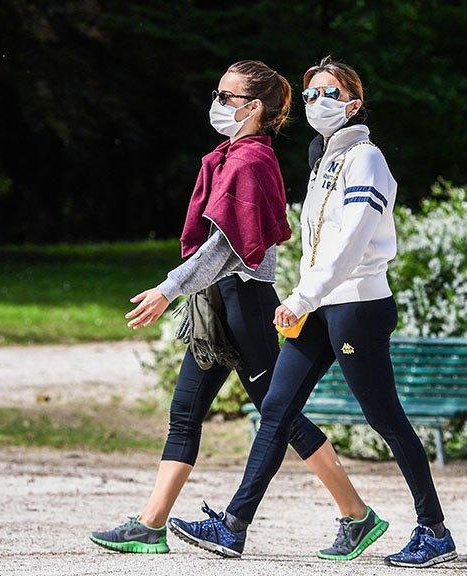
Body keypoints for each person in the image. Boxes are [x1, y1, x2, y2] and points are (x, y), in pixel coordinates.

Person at [89, 60, 386, 561]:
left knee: (280, 414)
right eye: (218, 93)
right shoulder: (230, 156)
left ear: (253, 108)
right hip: (216, 301)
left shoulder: (252, 163)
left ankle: (356, 514)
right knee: (185, 411)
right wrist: (186, 290)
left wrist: (169, 288)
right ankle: (149, 525)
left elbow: (228, 247)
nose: (217, 103)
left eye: (226, 97)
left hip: (246, 304)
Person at [167, 56, 458, 568]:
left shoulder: (367, 159)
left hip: (357, 307)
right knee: (275, 411)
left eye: (329, 93)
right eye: (310, 95)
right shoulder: (324, 159)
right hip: (320, 306)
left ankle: (433, 530)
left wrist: (302, 297)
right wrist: (302, 295)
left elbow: (350, 244)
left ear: (354, 103)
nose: (317, 102)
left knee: (384, 417)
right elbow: (314, 242)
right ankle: (233, 527)